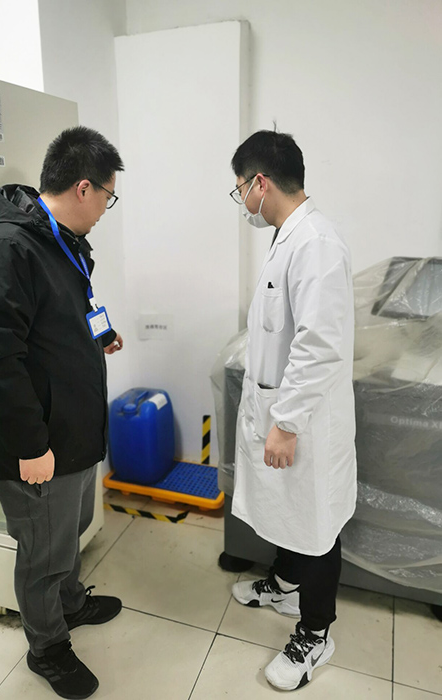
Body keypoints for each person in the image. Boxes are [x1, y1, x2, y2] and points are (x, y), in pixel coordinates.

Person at [0, 126, 125, 699]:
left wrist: (99, 334)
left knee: (69, 533)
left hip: (73, 431)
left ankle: (70, 604)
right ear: (84, 188)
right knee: (43, 552)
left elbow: (65, 310)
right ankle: (47, 647)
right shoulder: (7, 250)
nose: (106, 208)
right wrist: (30, 446)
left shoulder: (63, 241)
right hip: (39, 444)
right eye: (108, 196)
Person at [229, 130, 357, 691]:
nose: (242, 200)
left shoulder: (317, 243)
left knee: (315, 522)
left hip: (302, 418)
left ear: (260, 182)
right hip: (279, 407)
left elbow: (319, 345)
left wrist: (286, 422)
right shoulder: (289, 236)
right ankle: (285, 584)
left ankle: (316, 632)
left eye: (240, 188)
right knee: (287, 507)